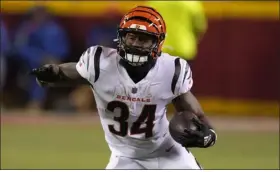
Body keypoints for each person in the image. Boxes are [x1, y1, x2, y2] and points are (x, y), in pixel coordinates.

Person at [30, 6, 217, 169]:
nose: (135, 44)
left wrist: (208, 135)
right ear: (121, 37)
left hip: (168, 153)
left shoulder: (171, 70)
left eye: (143, 39)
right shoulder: (99, 63)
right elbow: (66, 72)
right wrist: (51, 74)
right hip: (125, 157)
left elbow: (195, 114)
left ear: (157, 43)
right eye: (131, 37)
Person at [14, 6, 69, 111]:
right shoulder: (27, 28)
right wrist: (39, 57)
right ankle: (35, 102)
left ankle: (38, 103)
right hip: (29, 63)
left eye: (42, 12)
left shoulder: (55, 28)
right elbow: (20, 48)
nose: (39, 15)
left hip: (54, 63)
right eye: (37, 12)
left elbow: (63, 48)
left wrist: (55, 58)